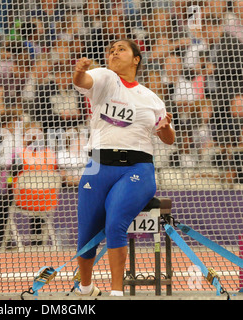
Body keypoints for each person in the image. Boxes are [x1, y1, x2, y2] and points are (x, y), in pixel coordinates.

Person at [72, 39, 175, 296]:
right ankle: (86, 289)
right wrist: (79, 71)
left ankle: (117, 293)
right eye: (111, 50)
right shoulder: (106, 78)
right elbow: (82, 82)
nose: (114, 52)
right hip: (98, 166)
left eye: (121, 49)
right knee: (86, 234)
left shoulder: (152, 99)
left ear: (136, 59)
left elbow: (168, 138)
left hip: (137, 168)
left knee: (115, 221)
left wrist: (166, 129)